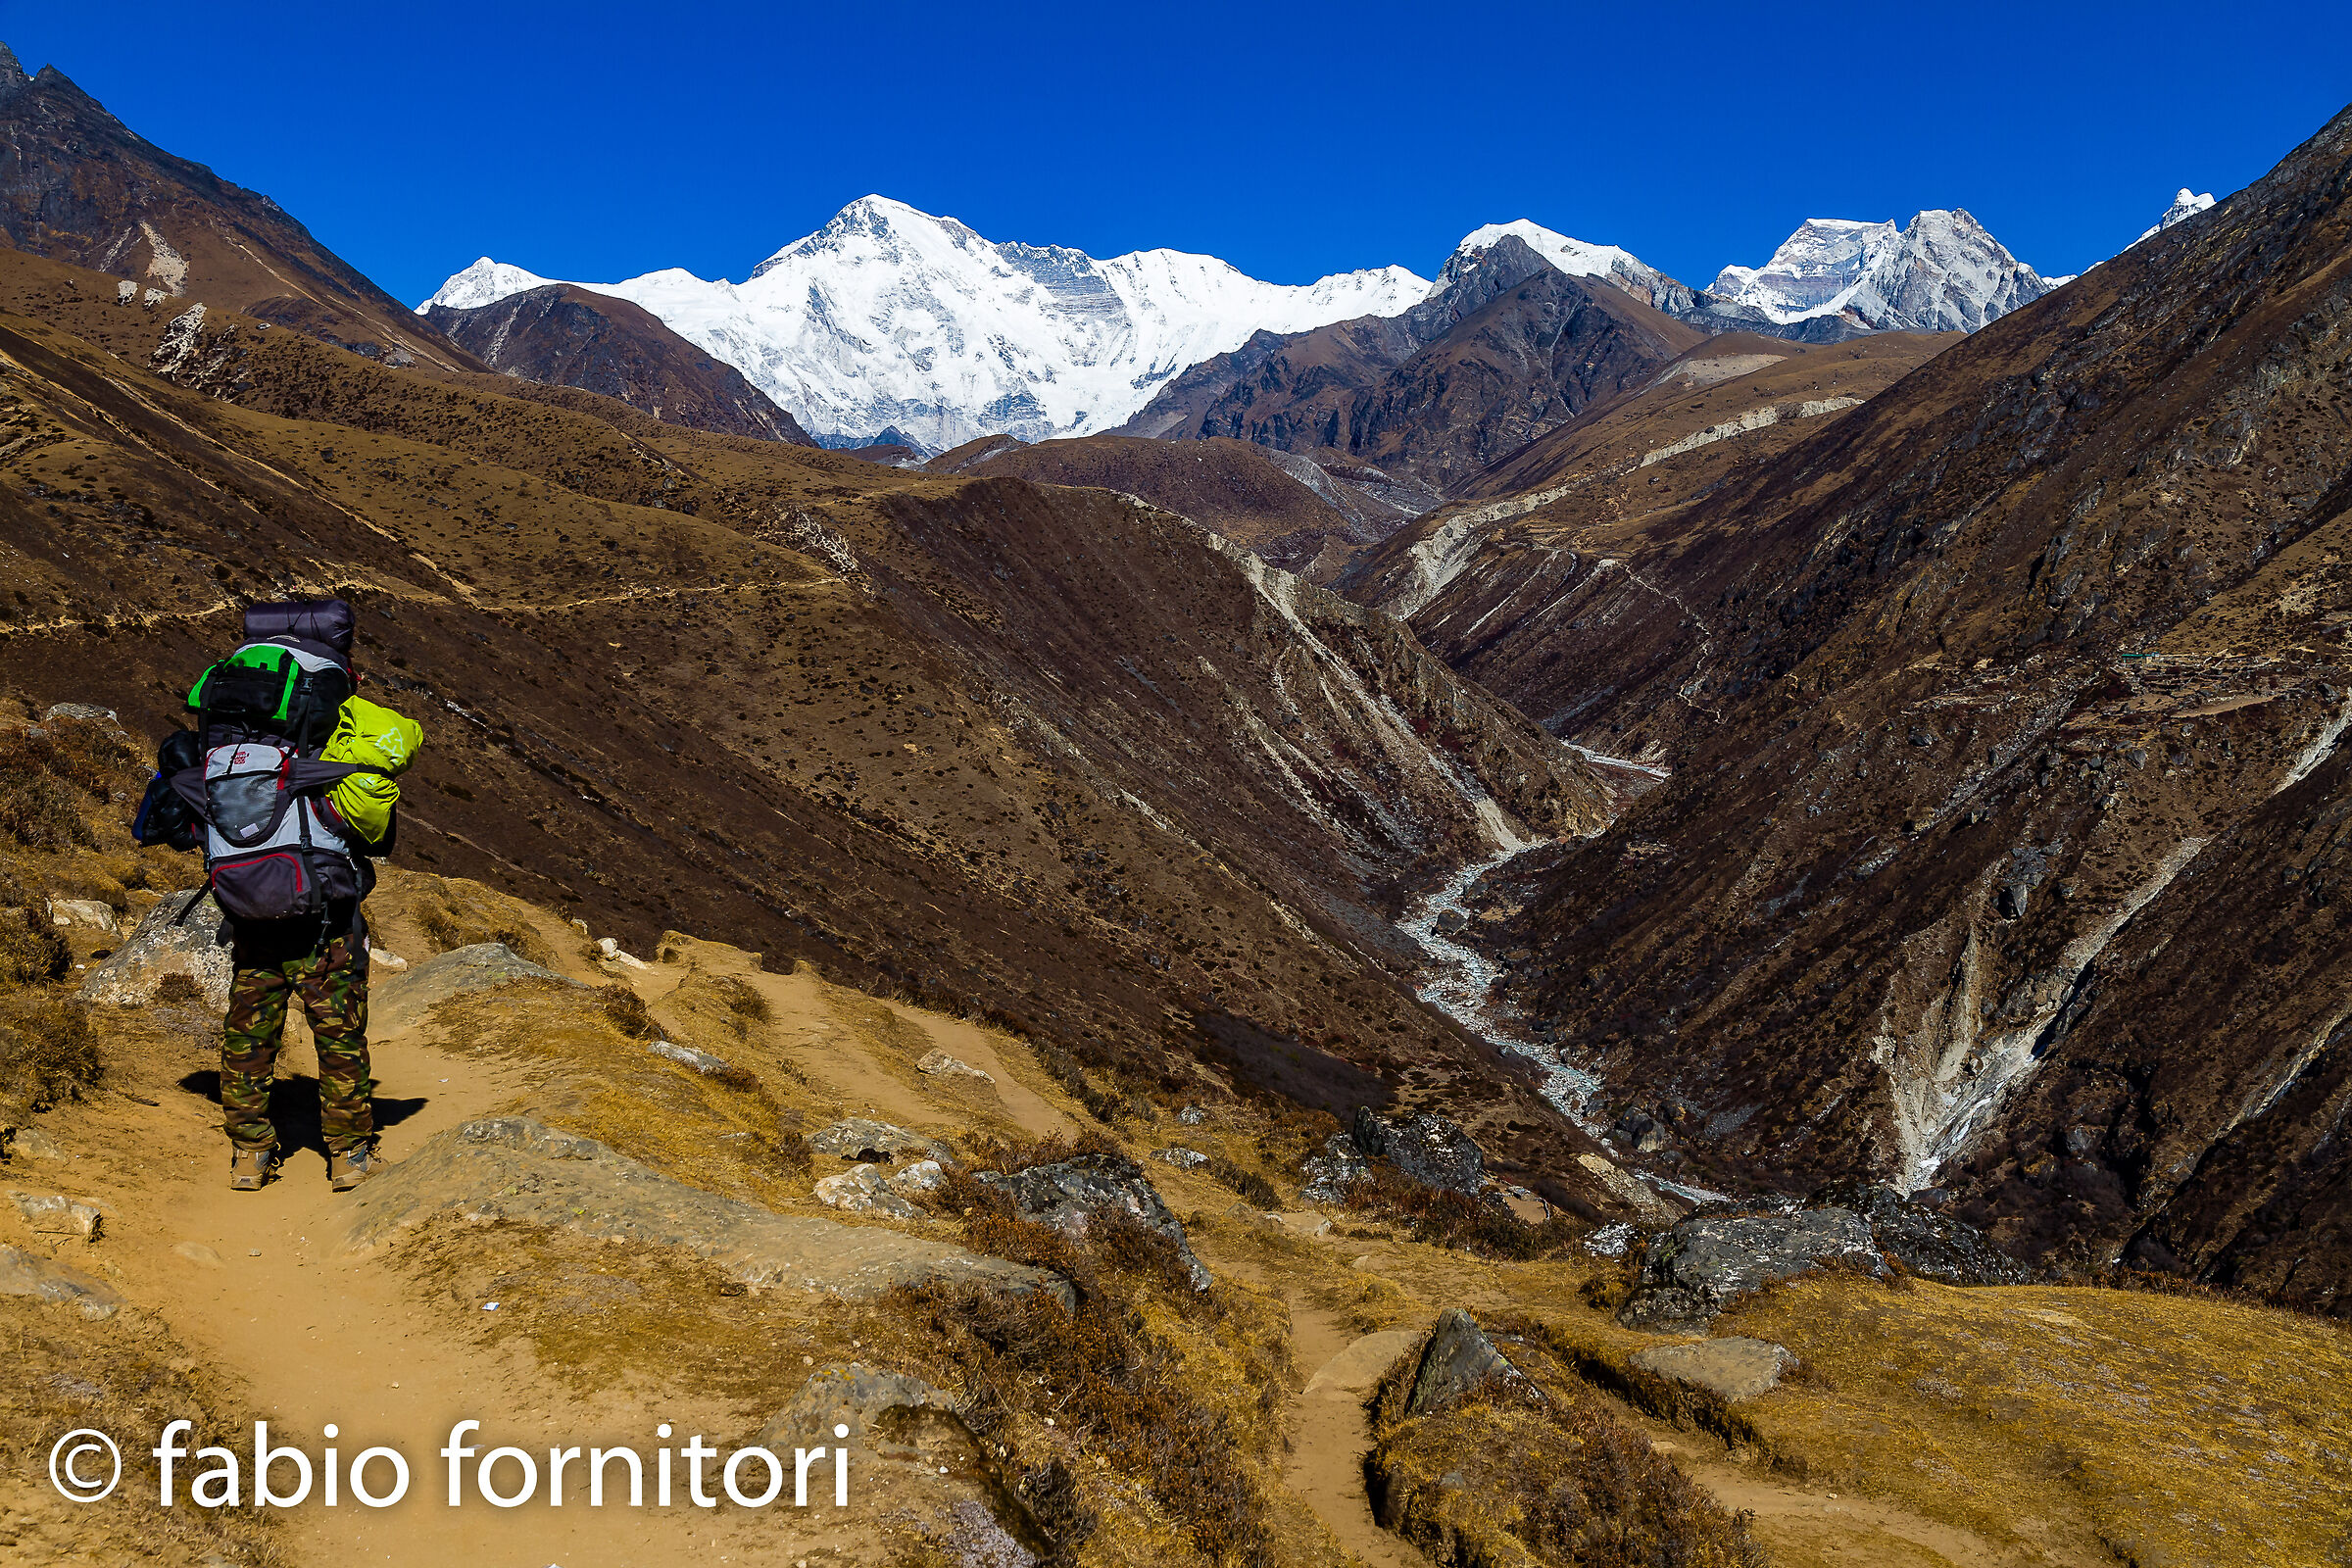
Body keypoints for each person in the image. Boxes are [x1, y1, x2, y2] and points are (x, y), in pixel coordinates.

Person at [136, 599, 420, 1191]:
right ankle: (347, 1157)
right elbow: (373, 834)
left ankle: (249, 1154)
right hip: (324, 919)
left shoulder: (223, 760)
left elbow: (186, 828)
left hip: (249, 916)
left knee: (249, 1030)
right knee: (339, 1032)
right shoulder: (323, 757)